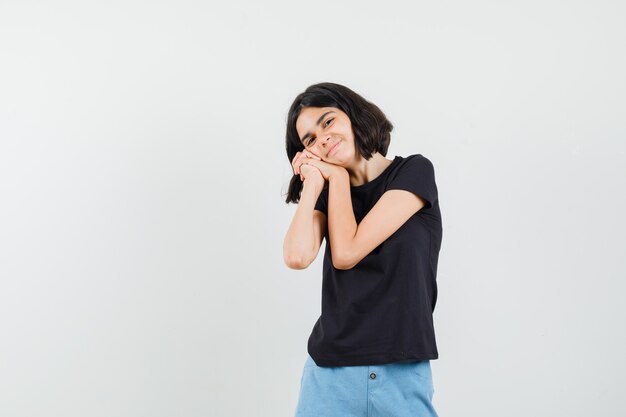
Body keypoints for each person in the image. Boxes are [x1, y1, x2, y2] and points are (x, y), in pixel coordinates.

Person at [283, 82, 442, 417]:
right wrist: (313, 182)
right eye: (309, 139)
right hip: (329, 374)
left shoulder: (413, 172)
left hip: (401, 371)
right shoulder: (327, 196)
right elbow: (297, 257)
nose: (321, 138)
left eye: (327, 122)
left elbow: (347, 252)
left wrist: (337, 178)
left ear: (353, 116)